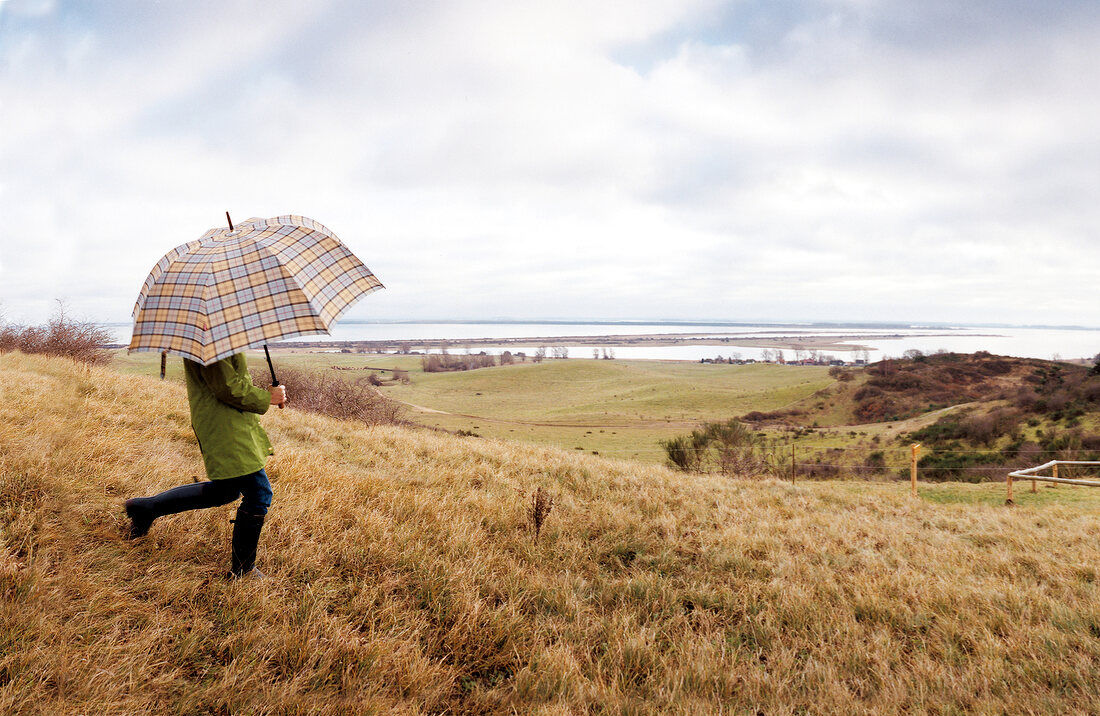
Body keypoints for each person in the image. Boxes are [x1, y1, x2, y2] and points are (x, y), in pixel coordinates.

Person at [124, 352, 287, 579]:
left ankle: (145, 509)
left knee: (225, 491)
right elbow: (227, 388)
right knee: (259, 494)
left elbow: (228, 381)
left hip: (228, 424)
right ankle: (244, 570)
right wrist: (266, 397)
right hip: (227, 429)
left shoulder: (216, 336)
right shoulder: (212, 341)